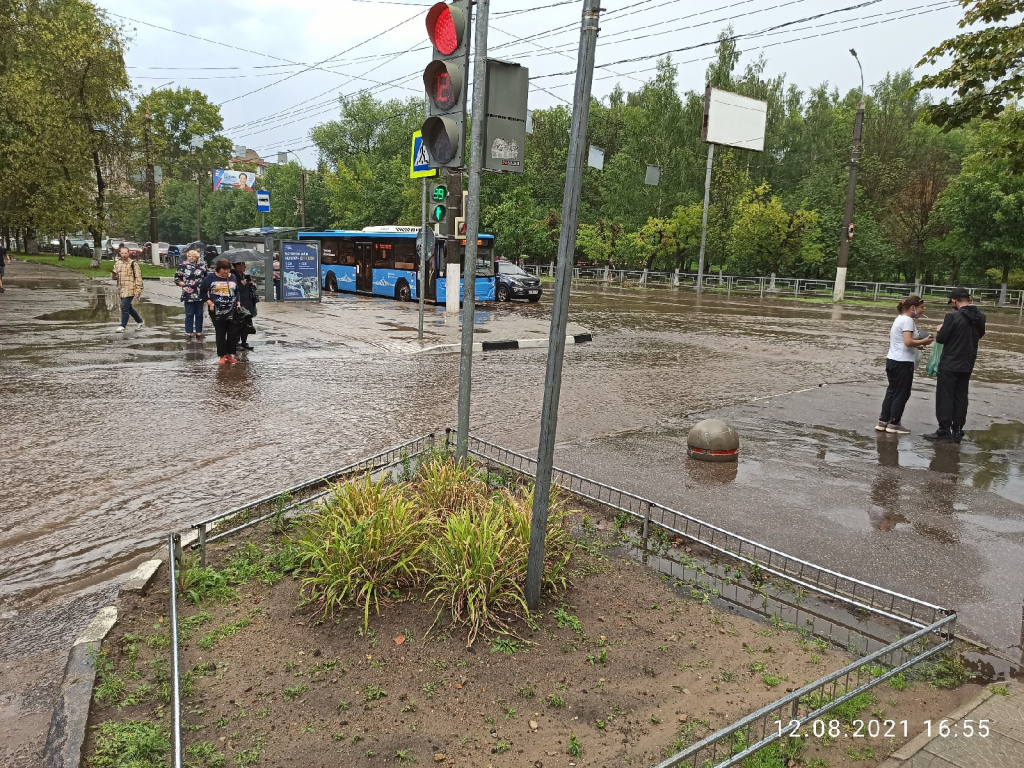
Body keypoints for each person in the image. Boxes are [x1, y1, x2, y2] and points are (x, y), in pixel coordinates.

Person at [923, 288, 987, 444]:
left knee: (945, 396)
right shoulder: (981, 317)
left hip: (950, 363)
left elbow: (941, 339)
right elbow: (980, 334)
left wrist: (941, 329)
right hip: (967, 363)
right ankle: (957, 430)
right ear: (969, 298)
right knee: (961, 397)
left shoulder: (952, 316)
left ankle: (943, 430)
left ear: (954, 300)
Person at [875, 295, 933, 435]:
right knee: (902, 393)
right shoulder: (908, 320)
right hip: (903, 362)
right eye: (921, 307)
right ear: (913, 308)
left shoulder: (899, 318)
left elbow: (895, 338)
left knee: (892, 391)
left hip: (892, 359)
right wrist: (924, 341)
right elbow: (907, 342)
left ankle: (883, 422)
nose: (923, 310)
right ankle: (894, 424)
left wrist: (915, 346)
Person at [200, 258, 241, 364]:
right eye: (224, 270)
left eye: (228, 269)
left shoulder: (232, 277)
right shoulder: (211, 277)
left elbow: (236, 291)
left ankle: (230, 354)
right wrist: (209, 303)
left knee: (233, 333)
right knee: (221, 332)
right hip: (216, 309)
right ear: (219, 269)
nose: (226, 272)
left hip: (231, 309)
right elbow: (202, 291)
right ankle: (222, 355)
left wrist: (238, 302)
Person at [174, 248, 208, 339]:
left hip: (200, 293)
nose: (191, 258)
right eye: (189, 256)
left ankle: (199, 331)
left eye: (193, 256)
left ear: (197, 257)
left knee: (199, 313)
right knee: (189, 313)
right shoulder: (183, 266)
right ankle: (188, 331)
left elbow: (206, 278)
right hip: (188, 293)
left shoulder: (202, 266)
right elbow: (177, 278)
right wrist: (183, 284)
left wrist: (206, 288)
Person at [111, 243, 144, 332]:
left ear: (129, 253)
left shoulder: (133, 264)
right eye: (122, 253)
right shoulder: (118, 264)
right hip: (121, 289)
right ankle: (139, 321)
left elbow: (138, 277)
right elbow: (114, 276)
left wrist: (138, 289)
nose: (124, 255)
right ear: (120, 253)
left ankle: (123, 325)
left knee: (124, 306)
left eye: (126, 253)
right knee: (128, 307)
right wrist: (114, 276)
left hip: (130, 289)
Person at [232, 260, 258, 350]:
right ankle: (236, 343)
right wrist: (242, 284)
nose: (245, 267)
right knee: (238, 323)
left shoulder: (245, 276)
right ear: (237, 266)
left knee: (246, 323)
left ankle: (244, 342)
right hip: (239, 303)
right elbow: (235, 289)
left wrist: (251, 284)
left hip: (247, 303)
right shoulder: (233, 276)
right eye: (243, 265)